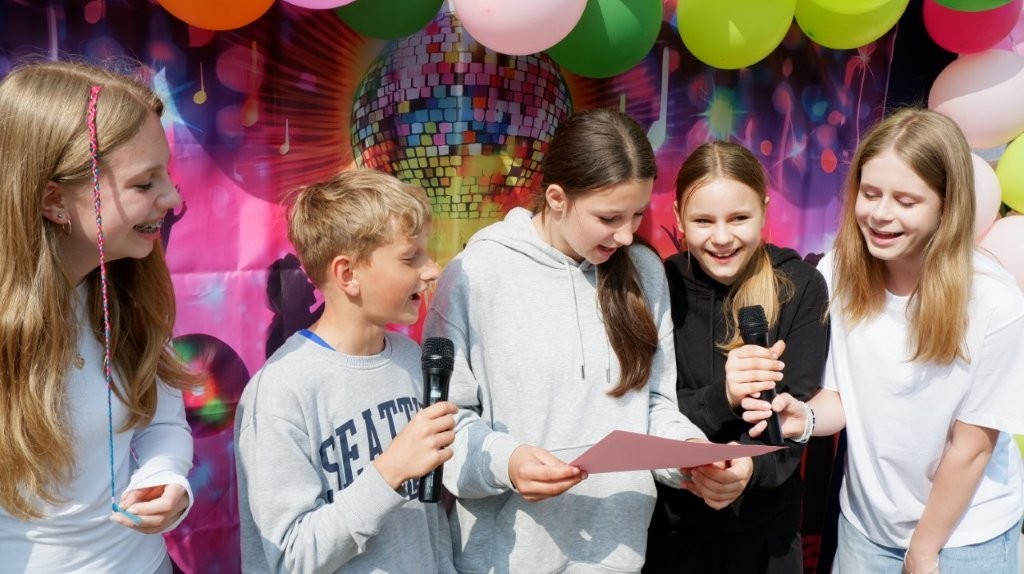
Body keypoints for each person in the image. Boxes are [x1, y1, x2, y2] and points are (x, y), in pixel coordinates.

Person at [423, 107, 707, 573]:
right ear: (556, 198)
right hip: (504, 560)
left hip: (617, 556)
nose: (626, 235)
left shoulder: (644, 272)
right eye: (608, 217)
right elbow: (444, 425)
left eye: (637, 214)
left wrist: (690, 454)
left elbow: (653, 403)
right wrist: (508, 463)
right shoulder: (476, 274)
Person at [744, 108, 1024, 574]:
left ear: (946, 205)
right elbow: (843, 397)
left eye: (906, 201)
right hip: (865, 529)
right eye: (870, 193)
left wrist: (923, 551)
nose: (880, 214)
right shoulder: (836, 271)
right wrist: (804, 417)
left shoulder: (995, 301)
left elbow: (972, 447)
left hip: (963, 538)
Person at [0, 60, 195, 573]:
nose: (172, 198)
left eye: (166, 175)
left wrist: (164, 474)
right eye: (144, 183)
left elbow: (162, 420)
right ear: (54, 200)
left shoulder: (126, 295)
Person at [234, 168, 458, 573]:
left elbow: (430, 525)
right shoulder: (281, 392)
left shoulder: (413, 360)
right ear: (348, 274)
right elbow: (291, 557)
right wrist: (389, 472)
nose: (431, 270)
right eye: (410, 257)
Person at [645, 141, 830, 573]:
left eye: (739, 218)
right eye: (703, 221)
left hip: (767, 538)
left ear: (764, 211)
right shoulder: (659, 285)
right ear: (678, 218)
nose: (722, 237)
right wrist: (723, 397)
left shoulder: (800, 285)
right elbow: (649, 409)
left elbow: (795, 413)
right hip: (674, 535)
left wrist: (750, 469)